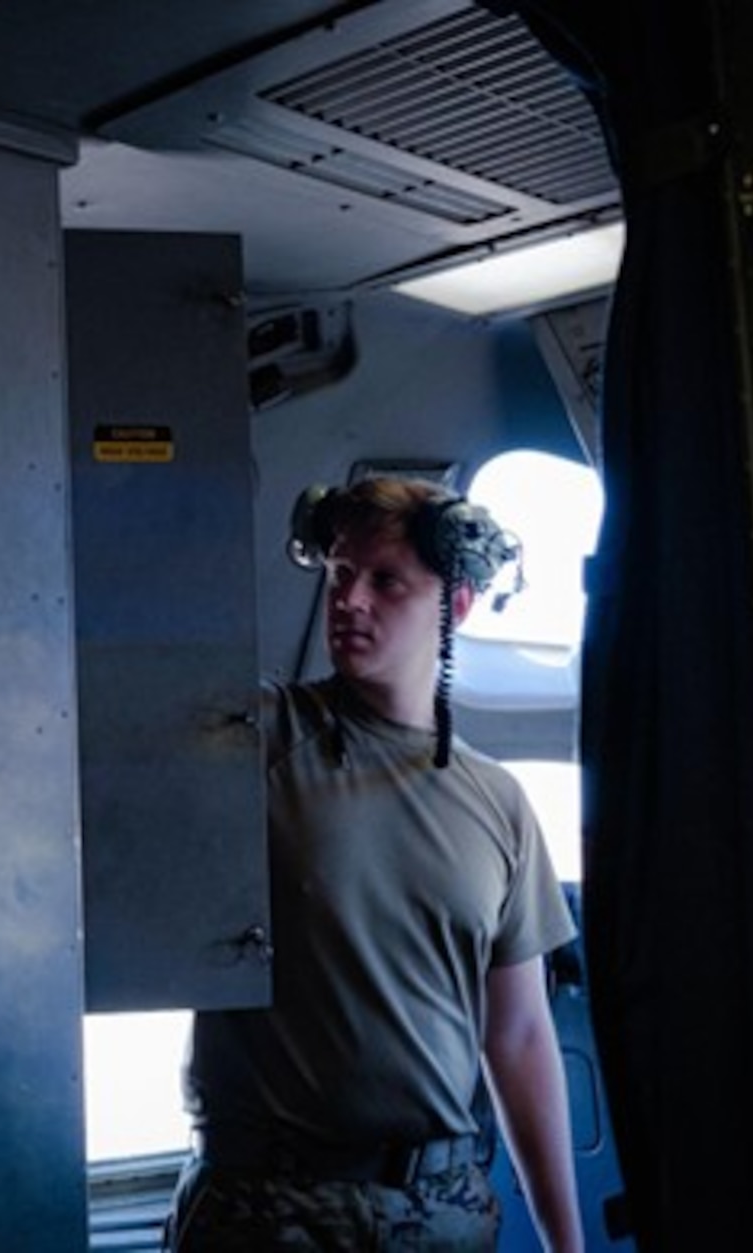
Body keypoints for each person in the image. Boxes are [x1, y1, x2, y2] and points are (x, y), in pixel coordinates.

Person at [166, 475, 584, 1252]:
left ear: (454, 606)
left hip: (439, 1211)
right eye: (338, 573)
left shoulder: (500, 802)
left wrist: (568, 1242)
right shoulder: (256, 736)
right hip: (268, 1209)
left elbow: (519, 1036)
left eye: (385, 580)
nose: (350, 598)